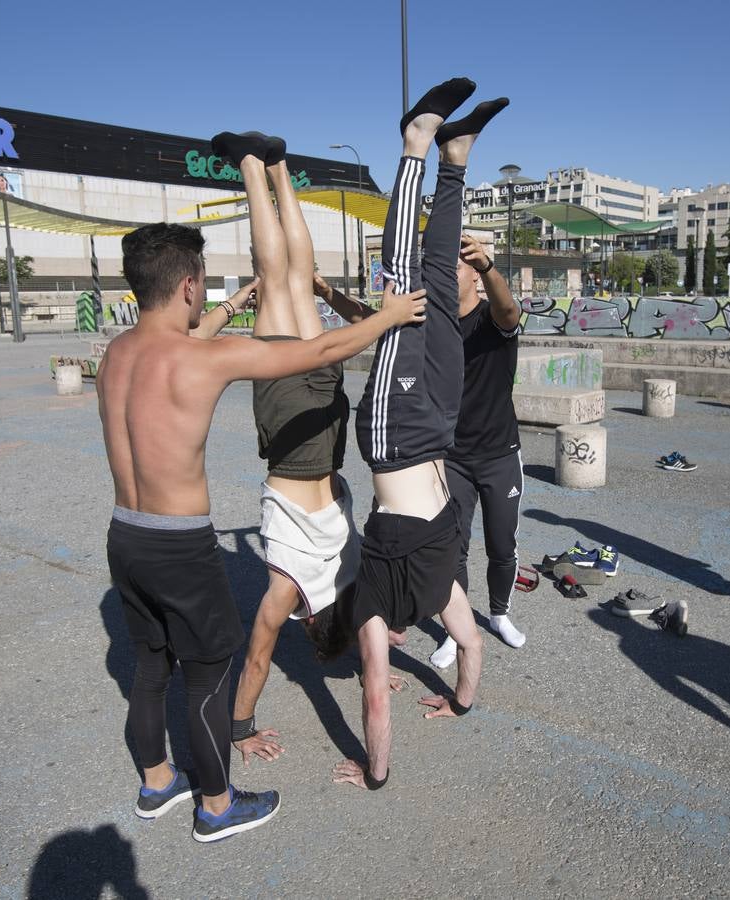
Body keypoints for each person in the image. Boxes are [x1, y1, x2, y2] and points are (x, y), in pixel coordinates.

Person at [97, 195, 426, 840]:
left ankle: (157, 781)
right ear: (188, 284)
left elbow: (190, 333)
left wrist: (234, 302)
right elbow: (317, 350)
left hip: (125, 537)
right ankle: (216, 806)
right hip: (181, 547)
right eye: (201, 292)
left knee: (151, 668)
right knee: (207, 675)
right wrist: (386, 317)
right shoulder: (203, 358)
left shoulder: (115, 356)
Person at [331, 77, 509, 792]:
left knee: (403, 283)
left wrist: (376, 772)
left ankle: (416, 143)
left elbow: (389, 688)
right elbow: (463, 651)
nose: (386, 643)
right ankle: (456, 157)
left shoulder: (415, 587)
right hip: (435, 428)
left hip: (396, 434)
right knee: (437, 277)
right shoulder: (407, 589)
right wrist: (459, 703)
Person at [210, 134, 365, 766]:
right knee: (277, 278)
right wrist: (240, 727)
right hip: (288, 423)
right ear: (309, 620)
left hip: (328, 423)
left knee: (298, 280)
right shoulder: (286, 593)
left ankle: (278, 166)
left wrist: (378, 666)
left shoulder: (351, 564)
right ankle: (251, 165)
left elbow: (374, 616)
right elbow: (256, 654)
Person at [428, 233, 527, 669]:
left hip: (500, 455)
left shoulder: (493, 320)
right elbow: (373, 320)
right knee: (454, 548)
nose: (450, 271)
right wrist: (328, 292)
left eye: (457, 264)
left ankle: (500, 614)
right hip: (454, 458)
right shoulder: (435, 325)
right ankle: (457, 628)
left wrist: (488, 266)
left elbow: (511, 311)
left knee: (502, 545)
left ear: (472, 274)